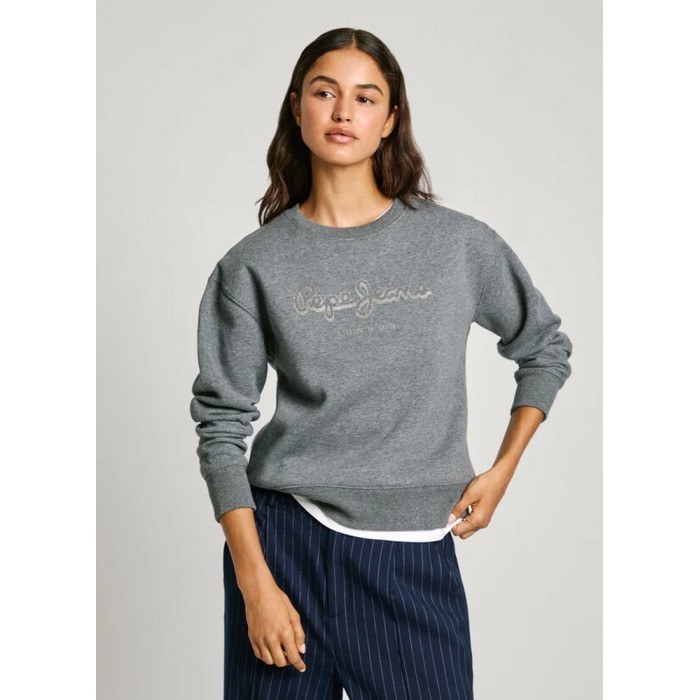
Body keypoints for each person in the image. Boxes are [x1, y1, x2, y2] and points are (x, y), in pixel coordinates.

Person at [190, 27, 573, 700]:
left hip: (413, 553)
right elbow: (222, 426)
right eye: (325, 93)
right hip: (285, 546)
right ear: (296, 107)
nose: (344, 112)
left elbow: (543, 347)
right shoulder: (252, 266)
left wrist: (503, 469)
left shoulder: (456, 245)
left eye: (365, 98)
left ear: (390, 119)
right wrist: (255, 583)